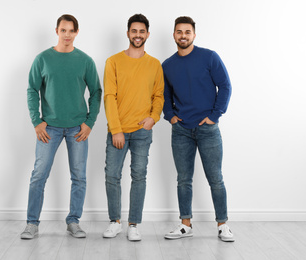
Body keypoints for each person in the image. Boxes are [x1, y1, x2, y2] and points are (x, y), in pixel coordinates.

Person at [21, 14, 102, 239]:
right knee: (39, 175)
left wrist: (89, 122)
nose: (67, 35)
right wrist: (36, 121)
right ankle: (32, 223)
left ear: (77, 32)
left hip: (78, 128)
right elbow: (31, 90)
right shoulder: (43, 59)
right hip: (49, 129)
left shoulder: (85, 60)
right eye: (63, 30)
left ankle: (73, 221)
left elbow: (96, 92)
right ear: (57, 31)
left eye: (71, 30)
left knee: (79, 177)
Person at [162, 16, 234, 242]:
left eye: (187, 32)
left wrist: (214, 116)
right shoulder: (167, 65)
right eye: (179, 32)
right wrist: (171, 117)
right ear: (174, 35)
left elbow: (225, 86)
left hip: (207, 130)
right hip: (181, 130)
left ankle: (223, 225)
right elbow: (164, 96)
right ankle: (185, 224)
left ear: (194, 34)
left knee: (215, 178)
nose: (183, 35)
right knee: (184, 179)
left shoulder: (209, 57)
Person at [102, 14, 164, 241]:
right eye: (134, 31)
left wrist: (153, 117)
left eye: (142, 31)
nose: (138, 35)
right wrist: (116, 129)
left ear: (147, 34)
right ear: (127, 33)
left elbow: (159, 96)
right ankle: (114, 221)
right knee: (112, 175)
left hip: (142, 131)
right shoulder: (113, 61)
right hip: (118, 130)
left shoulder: (155, 64)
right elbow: (109, 96)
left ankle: (133, 224)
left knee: (139, 176)